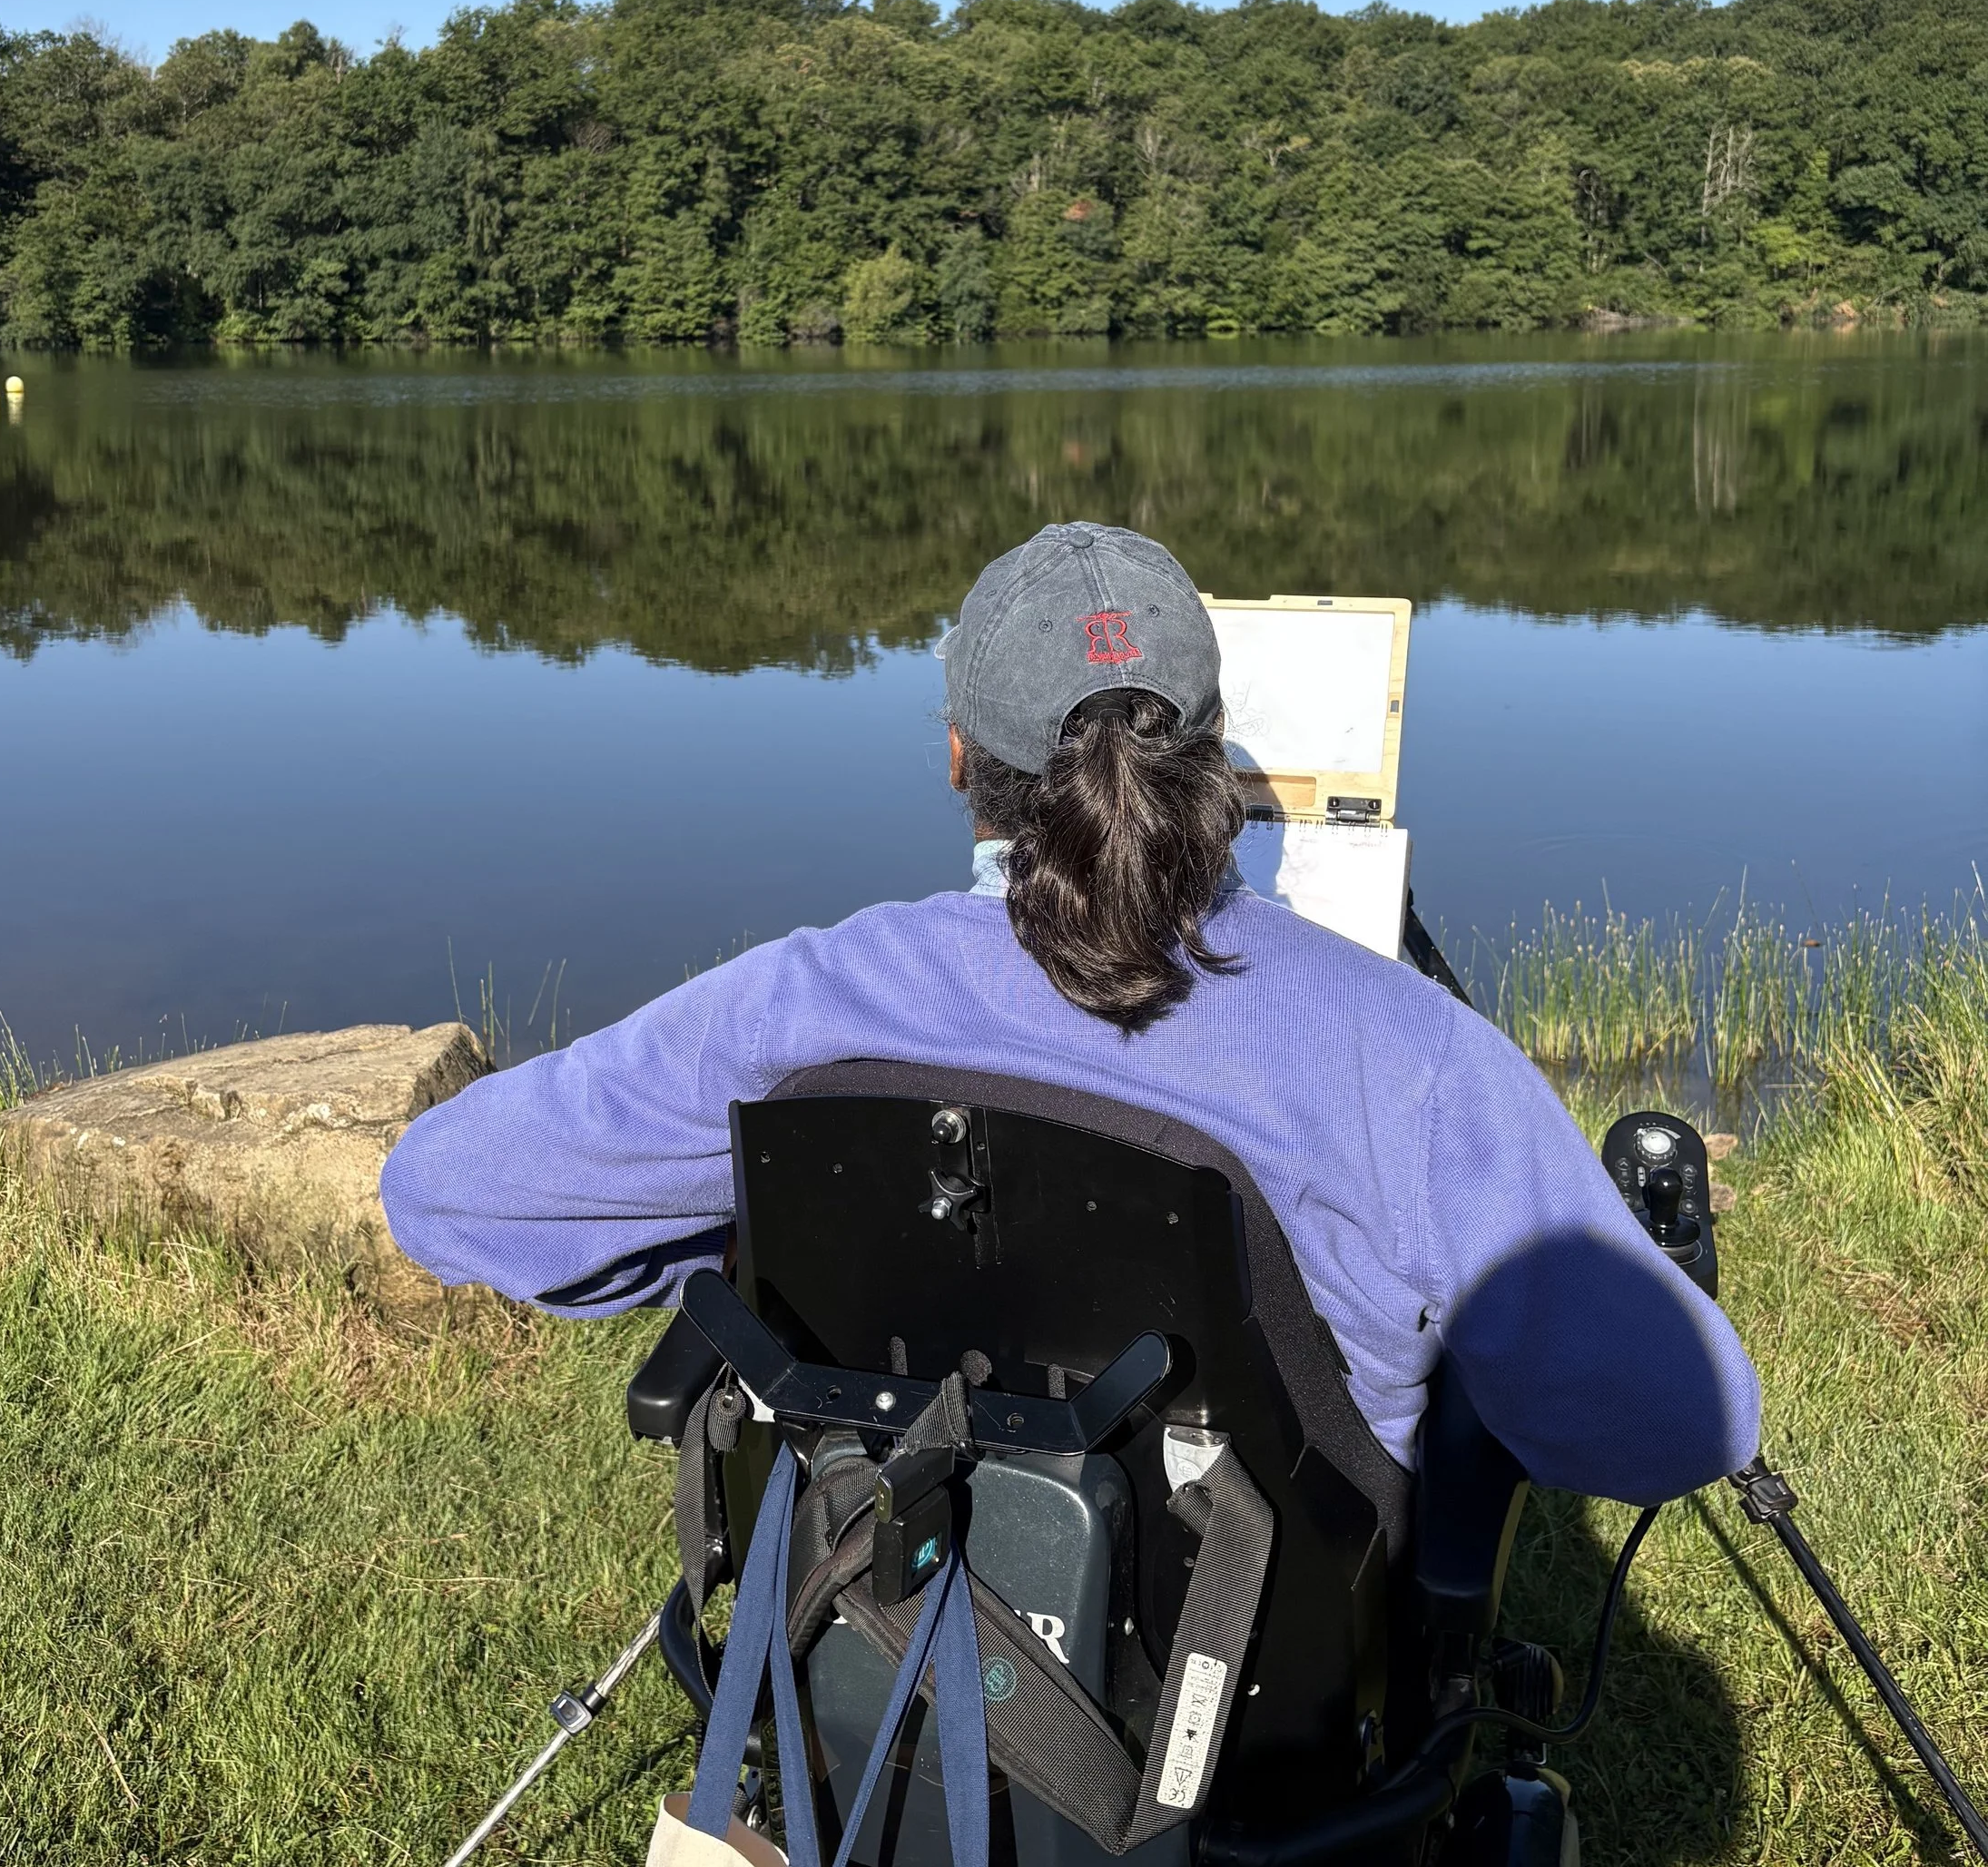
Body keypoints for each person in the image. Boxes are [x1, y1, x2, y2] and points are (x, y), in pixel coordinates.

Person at [381, 522, 1759, 1505]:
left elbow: (443, 1190)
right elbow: (1671, 1426)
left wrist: (742, 1237)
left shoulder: (798, 1009)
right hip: (1276, 1687)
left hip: (891, 1597)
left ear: (957, 758)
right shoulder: (1403, 1052)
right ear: (1210, 755)